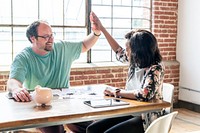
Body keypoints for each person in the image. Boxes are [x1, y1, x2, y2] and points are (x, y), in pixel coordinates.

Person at [6, 11, 101, 133]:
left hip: (66, 103)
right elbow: (13, 81)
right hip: (40, 107)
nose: (50, 39)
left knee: (92, 128)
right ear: (32, 38)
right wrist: (16, 89)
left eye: (51, 35)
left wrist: (96, 32)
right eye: (45, 37)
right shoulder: (23, 57)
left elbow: (84, 45)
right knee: (55, 130)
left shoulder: (62, 47)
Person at [86, 13, 165, 133]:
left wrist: (116, 92)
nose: (125, 52)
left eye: (128, 49)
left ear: (138, 52)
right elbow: (118, 50)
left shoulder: (155, 68)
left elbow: (145, 94)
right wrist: (101, 28)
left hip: (146, 118)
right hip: (130, 111)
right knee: (92, 129)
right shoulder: (135, 62)